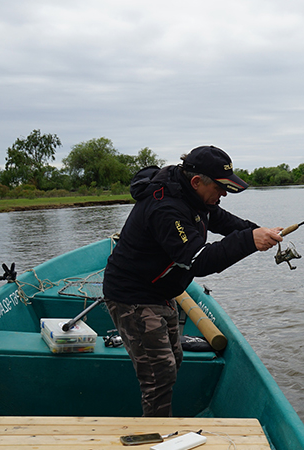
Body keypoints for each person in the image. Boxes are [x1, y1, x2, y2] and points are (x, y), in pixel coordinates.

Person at [103, 145, 283, 417]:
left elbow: (220, 219)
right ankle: (157, 435)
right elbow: (198, 260)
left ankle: (161, 424)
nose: (223, 194)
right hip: (132, 296)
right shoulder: (165, 207)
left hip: (161, 292)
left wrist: (256, 230)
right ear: (197, 181)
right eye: (220, 188)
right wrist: (249, 241)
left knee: (173, 360)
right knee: (159, 374)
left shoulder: (193, 195)